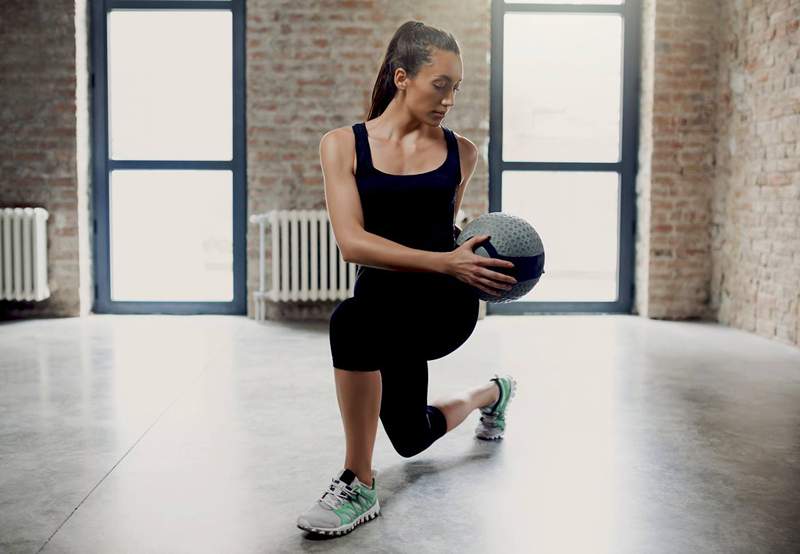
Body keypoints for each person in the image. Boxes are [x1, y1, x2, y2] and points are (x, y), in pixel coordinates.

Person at [296, 21, 518, 537]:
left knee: (350, 323)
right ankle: (494, 393)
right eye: (440, 84)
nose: (450, 99)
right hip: (386, 301)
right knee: (411, 438)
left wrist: (470, 263)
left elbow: (445, 231)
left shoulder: (461, 152)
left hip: (441, 306)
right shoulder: (342, 145)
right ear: (402, 77)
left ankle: (358, 481)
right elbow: (352, 243)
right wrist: (446, 260)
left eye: (456, 88)